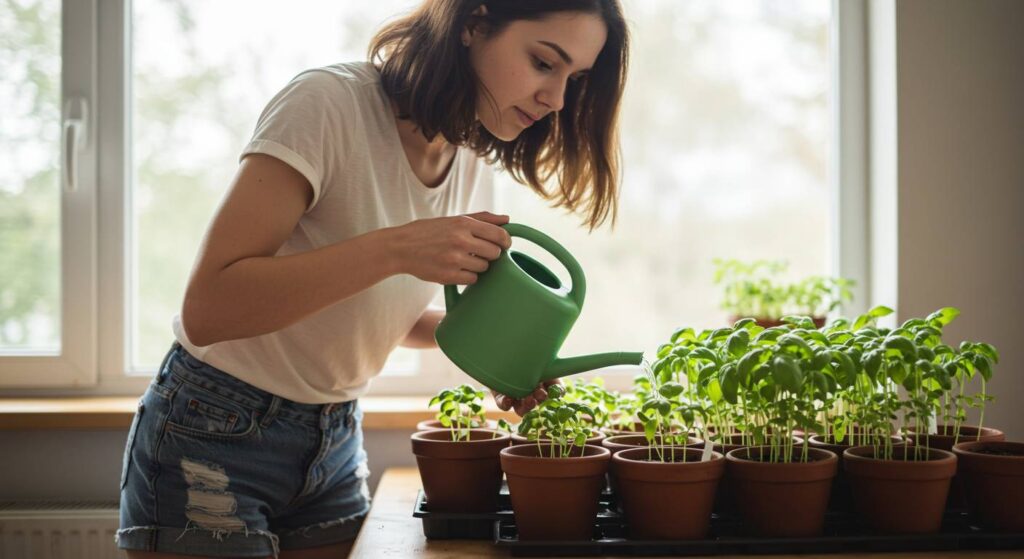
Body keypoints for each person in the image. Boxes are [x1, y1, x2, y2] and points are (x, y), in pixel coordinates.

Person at [117, 1, 629, 557]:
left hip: (334, 436)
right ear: (474, 24)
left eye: (573, 79)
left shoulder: (472, 155)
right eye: (543, 63)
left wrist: (501, 360)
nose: (555, 100)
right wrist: (399, 247)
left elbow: (382, 310)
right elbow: (209, 308)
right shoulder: (327, 104)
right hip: (213, 427)